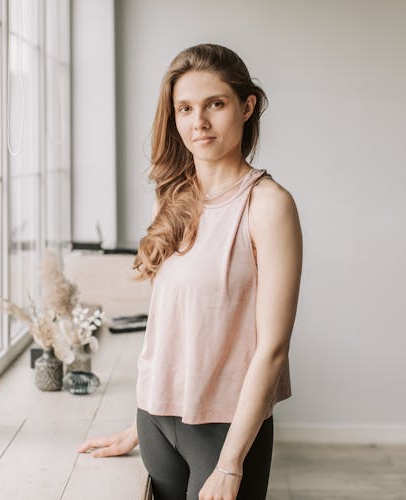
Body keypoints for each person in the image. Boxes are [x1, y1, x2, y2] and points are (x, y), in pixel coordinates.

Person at [77, 43, 302, 500]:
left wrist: (232, 463)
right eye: (184, 108)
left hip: (225, 433)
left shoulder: (268, 205)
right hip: (154, 421)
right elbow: (177, 326)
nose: (198, 122)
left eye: (214, 104)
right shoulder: (174, 198)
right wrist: (139, 424)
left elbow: (273, 349)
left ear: (246, 106)